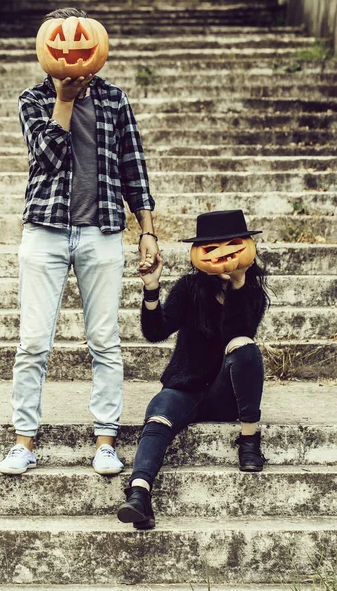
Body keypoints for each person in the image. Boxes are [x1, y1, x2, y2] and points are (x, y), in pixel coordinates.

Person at [0, 6, 158, 476]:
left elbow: (135, 167)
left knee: (105, 340)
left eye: (80, 43)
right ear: (47, 49)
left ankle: (105, 440)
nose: (71, 52)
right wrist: (63, 101)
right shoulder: (33, 100)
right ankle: (24, 441)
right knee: (32, 343)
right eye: (61, 43)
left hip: (101, 230)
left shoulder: (115, 100)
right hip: (45, 230)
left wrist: (147, 230)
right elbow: (46, 158)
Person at [117, 210, 270, 530]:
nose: (224, 255)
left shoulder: (253, 292)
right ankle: (139, 495)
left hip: (225, 392)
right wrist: (151, 288)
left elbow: (237, 335)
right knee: (158, 411)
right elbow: (156, 331)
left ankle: (249, 441)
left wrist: (238, 286)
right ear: (200, 252)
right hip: (186, 387)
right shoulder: (190, 287)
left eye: (232, 246)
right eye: (213, 247)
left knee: (244, 345)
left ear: (247, 246)